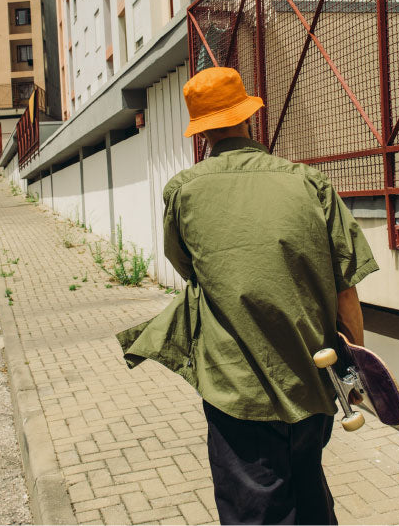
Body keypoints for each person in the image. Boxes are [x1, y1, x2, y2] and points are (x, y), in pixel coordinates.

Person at [117, 66, 378, 525]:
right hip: (313, 376)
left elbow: (190, 270)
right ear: (248, 117)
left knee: (254, 510)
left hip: (234, 387)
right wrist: (356, 373)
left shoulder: (184, 192)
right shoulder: (309, 183)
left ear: (201, 132)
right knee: (310, 495)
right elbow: (346, 293)